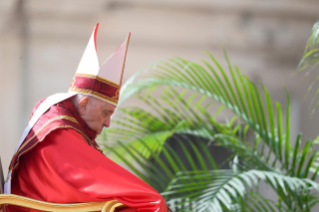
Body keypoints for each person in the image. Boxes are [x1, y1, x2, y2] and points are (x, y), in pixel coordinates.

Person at [4, 24, 169, 212]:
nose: (108, 123)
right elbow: (104, 183)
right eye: (106, 113)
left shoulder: (62, 121)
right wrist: (153, 200)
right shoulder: (59, 132)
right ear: (83, 105)